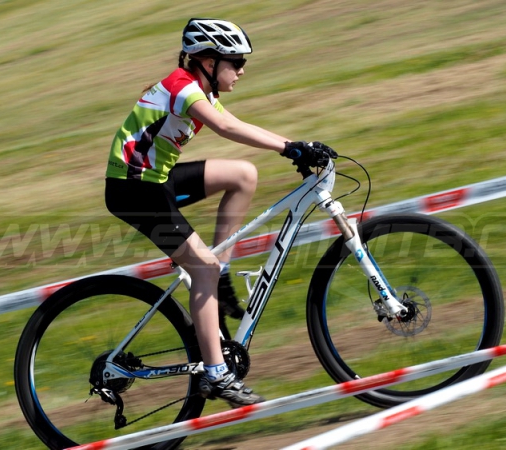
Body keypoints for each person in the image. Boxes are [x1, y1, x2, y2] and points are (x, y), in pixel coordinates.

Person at [104, 18, 337, 407]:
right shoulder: (182, 87)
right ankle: (215, 374)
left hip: (156, 179)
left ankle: (221, 276)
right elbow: (225, 126)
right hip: (134, 190)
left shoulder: (198, 89)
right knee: (203, 269)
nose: (242, 70)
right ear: (208, 62)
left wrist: (298, 144)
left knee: (243, 175)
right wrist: (290, 148)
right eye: (236, 62)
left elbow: (234, 122)